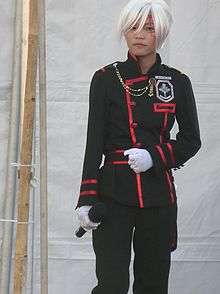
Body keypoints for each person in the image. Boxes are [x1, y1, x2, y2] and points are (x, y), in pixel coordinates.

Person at [75, 0, 201, 293]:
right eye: (133, 27)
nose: (139, 34)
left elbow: (191, 140)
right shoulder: (106, 78)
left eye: (149, 28)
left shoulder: (178, 82)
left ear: (162, 34)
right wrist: (86, 197)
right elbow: (93, 142)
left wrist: (154, 156)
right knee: (111, 284)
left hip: (158, 196)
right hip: (113, 194)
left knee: (153, 283)